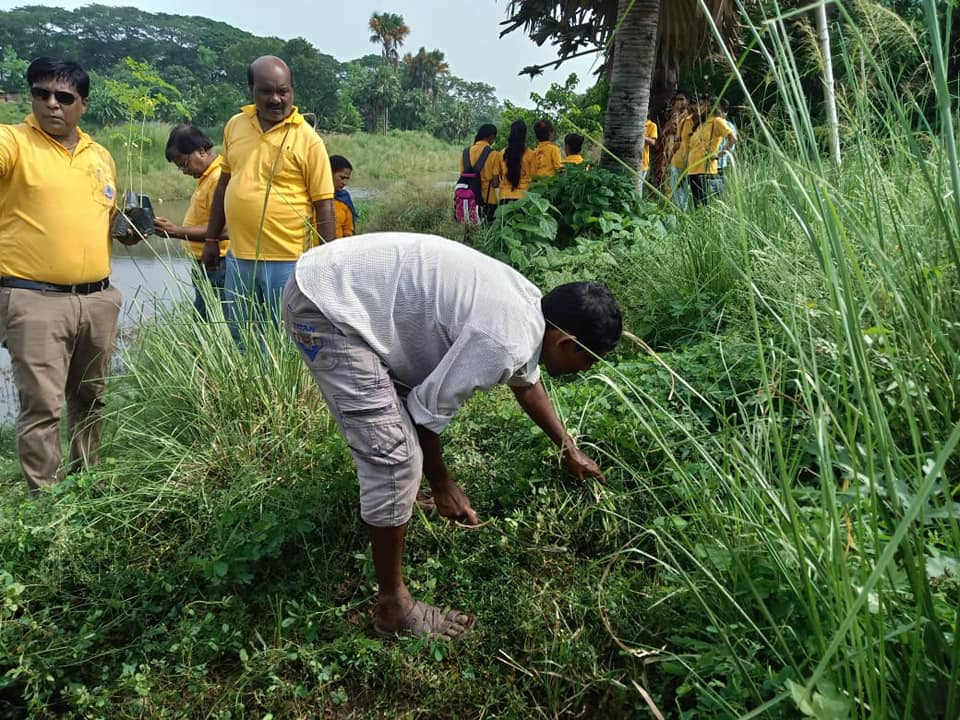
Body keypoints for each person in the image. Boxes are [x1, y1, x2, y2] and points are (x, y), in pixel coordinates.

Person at [282, 232, 622, 639]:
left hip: (339, 284)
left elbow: (526, 381)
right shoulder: (503, 339)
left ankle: (397, 503)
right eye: (589, 361)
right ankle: (393, 607)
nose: (585, 371)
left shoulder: (531, 310)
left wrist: (568, 448)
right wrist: (444, 486)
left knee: (399, 434)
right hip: (326, 308)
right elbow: (425, 415)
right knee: (396, 458)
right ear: (566, 342)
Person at [0, 57, 139, 494]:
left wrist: (128, 229)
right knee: (43, 405)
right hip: (34, 298)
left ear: (83, 104)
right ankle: (45, 501)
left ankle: (85, 484)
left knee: (90, 398)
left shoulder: (100, 156)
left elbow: (107, 219)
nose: (51, 104)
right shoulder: (13, 142)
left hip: (98, 299)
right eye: (41, 94)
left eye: (64, 97)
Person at [203, 55, 336, 339]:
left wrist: (328, 261)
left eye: (282, 91)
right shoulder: (235, 126)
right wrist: (212, 240)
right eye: (266, 91)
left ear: (292, 91)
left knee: (285, 339)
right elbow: (224, 185)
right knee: (240, 337)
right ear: (251, 90)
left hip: (288, 261)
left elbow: (324, 205)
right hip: (239, 257)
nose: (276, 99)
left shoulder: (308, 139)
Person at [154, 124, 229, 320]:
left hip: (218, 264)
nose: (183, 171)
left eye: (184, 164)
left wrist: (176, 231)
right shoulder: (206, 177)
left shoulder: (218, 178)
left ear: (201, 151)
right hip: (205, 263)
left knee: (212, 322)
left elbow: (226, 229)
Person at [687, 96, 737, 207]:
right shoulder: (701, 123)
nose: (699, 107)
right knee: (697, 205)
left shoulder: (717, 121)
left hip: (705, 169)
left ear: (709, 106)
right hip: (693, 169)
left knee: (705, 205)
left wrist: (719, 155)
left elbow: (733, 139)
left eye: (702, 104)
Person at [459, 124, 499, 222]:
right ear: (491, 137)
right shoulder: (493, 154)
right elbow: (495, 183)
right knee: (487, 228)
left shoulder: (465, 152)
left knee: (468, 227)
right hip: (487, 200)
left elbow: (462, 176)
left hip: (467, 199)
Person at [493, 120, 535, 205]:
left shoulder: (501, 153)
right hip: (525, 197)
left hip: (505, 197)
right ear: (524, 135)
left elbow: (495, 180)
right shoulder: (531, 154)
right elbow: (534, 178)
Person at [668, 92, 697, 210]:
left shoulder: (691, 120)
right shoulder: (680, 118)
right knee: (677, 192)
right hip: (678, 159)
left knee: (682, 193)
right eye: (677, 100)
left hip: (687, 161)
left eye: (682, 99)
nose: (679, 102)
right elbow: (676, 139)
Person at [330, 155, 356, 239]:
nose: (345, 183)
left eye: (347, 179)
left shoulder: (344, 199)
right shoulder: (312, 195)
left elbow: (348, 230)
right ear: (329, 173)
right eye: (342, 177)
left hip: (339, 246)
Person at [716, 100, 737, 178]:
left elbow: (732, 143)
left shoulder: (729, 126)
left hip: (720, 164)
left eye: (724, 111)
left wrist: (719, 155)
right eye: (719, 111)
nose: (721, 114)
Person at [640, 115, 659, 186]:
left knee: (638, 187)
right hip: (629, 160)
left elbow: (652, 142)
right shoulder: (633, 122)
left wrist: (641, 136)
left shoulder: (652, 125)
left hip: (643, 162)